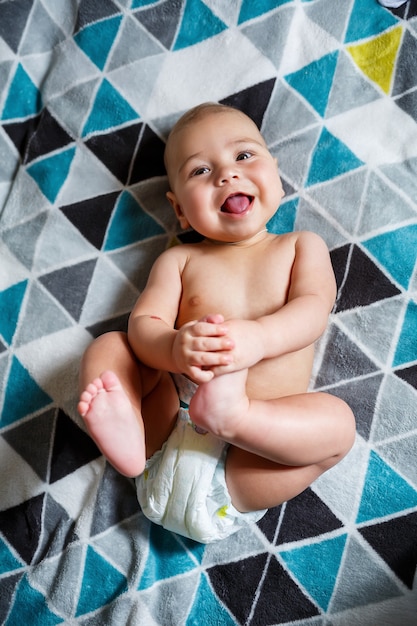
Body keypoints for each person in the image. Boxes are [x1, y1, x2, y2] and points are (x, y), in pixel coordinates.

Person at [78, 103, 355, 543]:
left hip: (245, 466)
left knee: (338, 427)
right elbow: (144, 327)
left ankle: (237, 414)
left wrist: (260, 337)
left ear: (276, 174)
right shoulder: (179, 258)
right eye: (200, 171)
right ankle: (126, 429)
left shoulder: (301, 246)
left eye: (244, 157)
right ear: (180, 211)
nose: (226, 175)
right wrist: (172, 348)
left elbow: (313, 309)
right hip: (164, 431)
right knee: (109, 347)